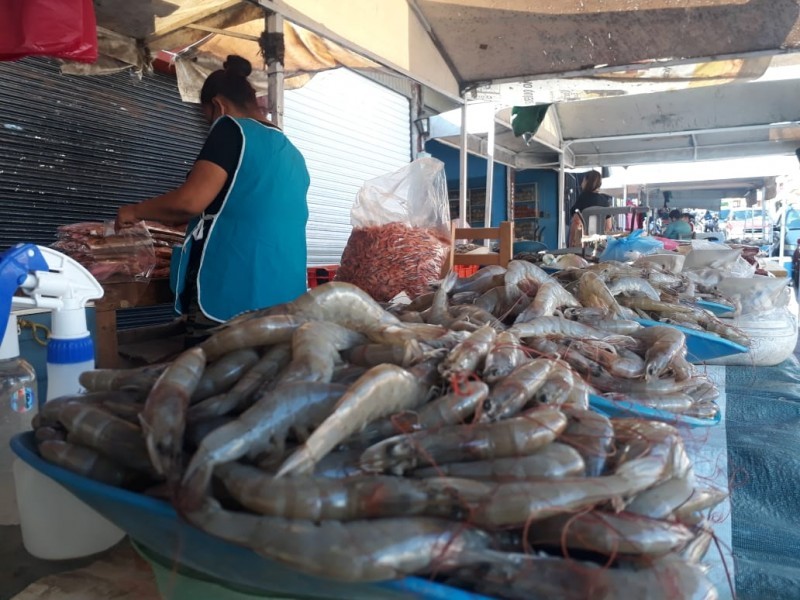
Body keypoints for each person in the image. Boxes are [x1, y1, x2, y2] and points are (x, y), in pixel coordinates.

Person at [116, 55, 310, 345]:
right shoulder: (293, 153)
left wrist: (134, 211)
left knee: (213, 379)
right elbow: (239, 205)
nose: (209, 125)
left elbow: (190, 202)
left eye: (206, 117)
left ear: (218, 105)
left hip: (232, 293)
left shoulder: (231, 128)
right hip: (285, 296)